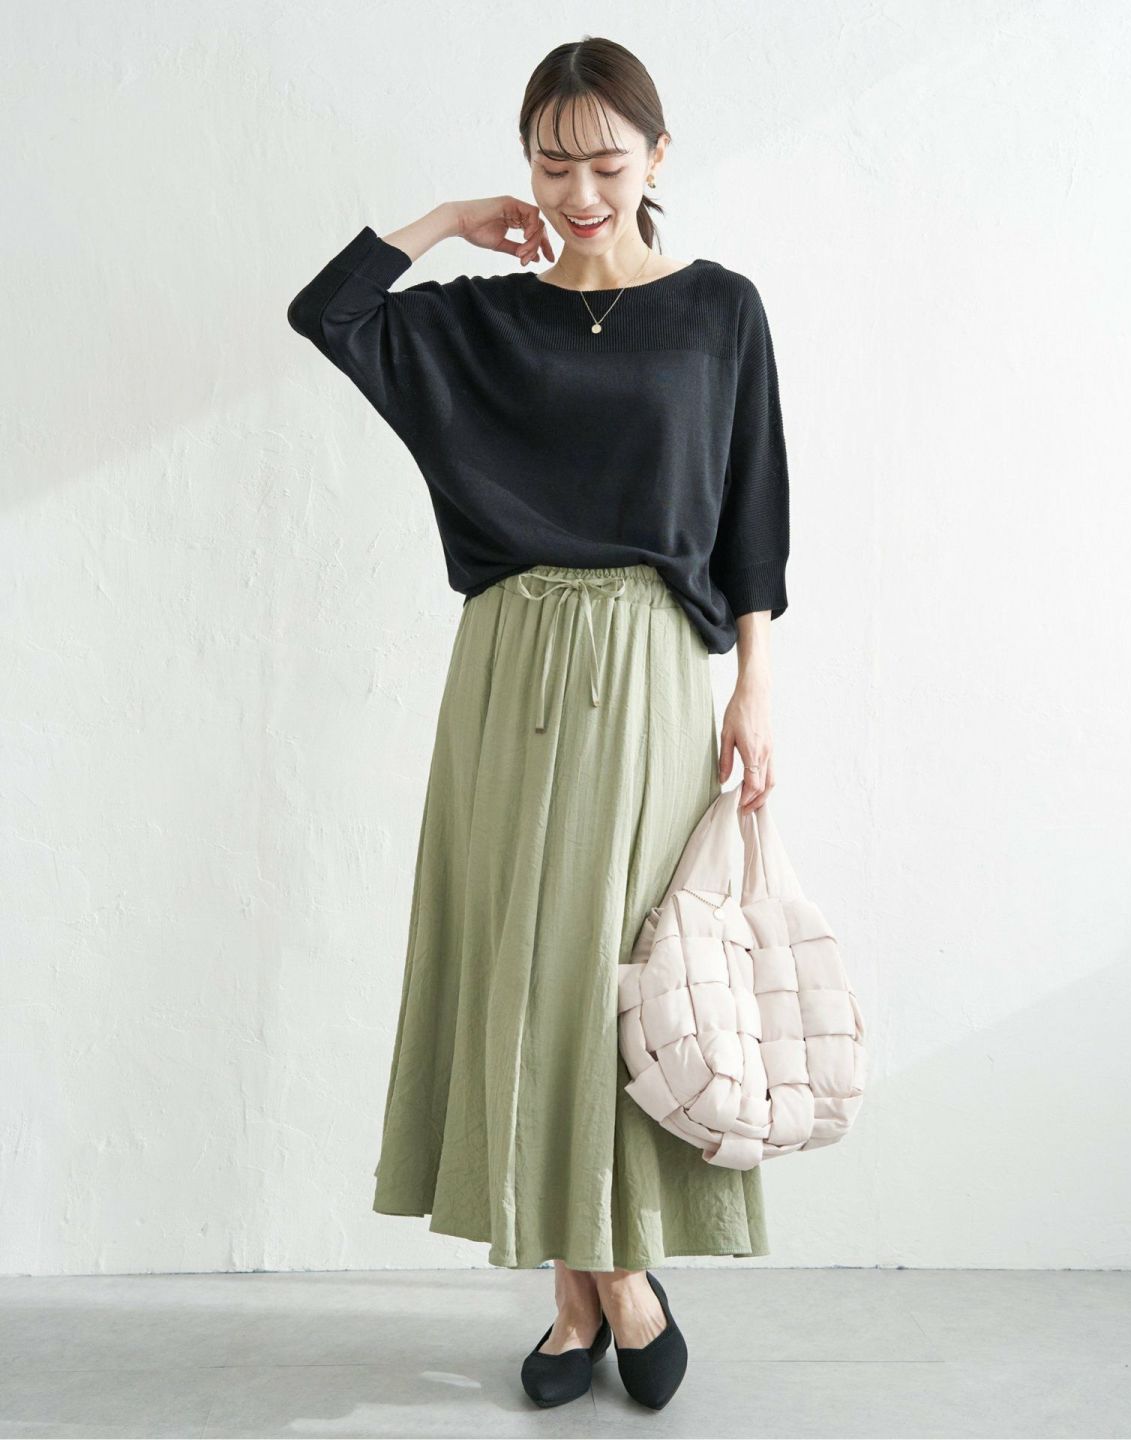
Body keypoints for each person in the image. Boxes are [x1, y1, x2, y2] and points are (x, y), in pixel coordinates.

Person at [285, 34, 789, 1412]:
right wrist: (451, 221)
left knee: (613, 973)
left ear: (658, 156)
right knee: (526, 966)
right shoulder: (484, 322)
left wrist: (754, 685)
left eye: (607, 164)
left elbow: (754, 511)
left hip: (649, 665)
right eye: (552, 165)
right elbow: (328, 312)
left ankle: (591, 1291)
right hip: (507, 667)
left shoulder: (719, 311)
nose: (579, 193)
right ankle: (604, 1287)